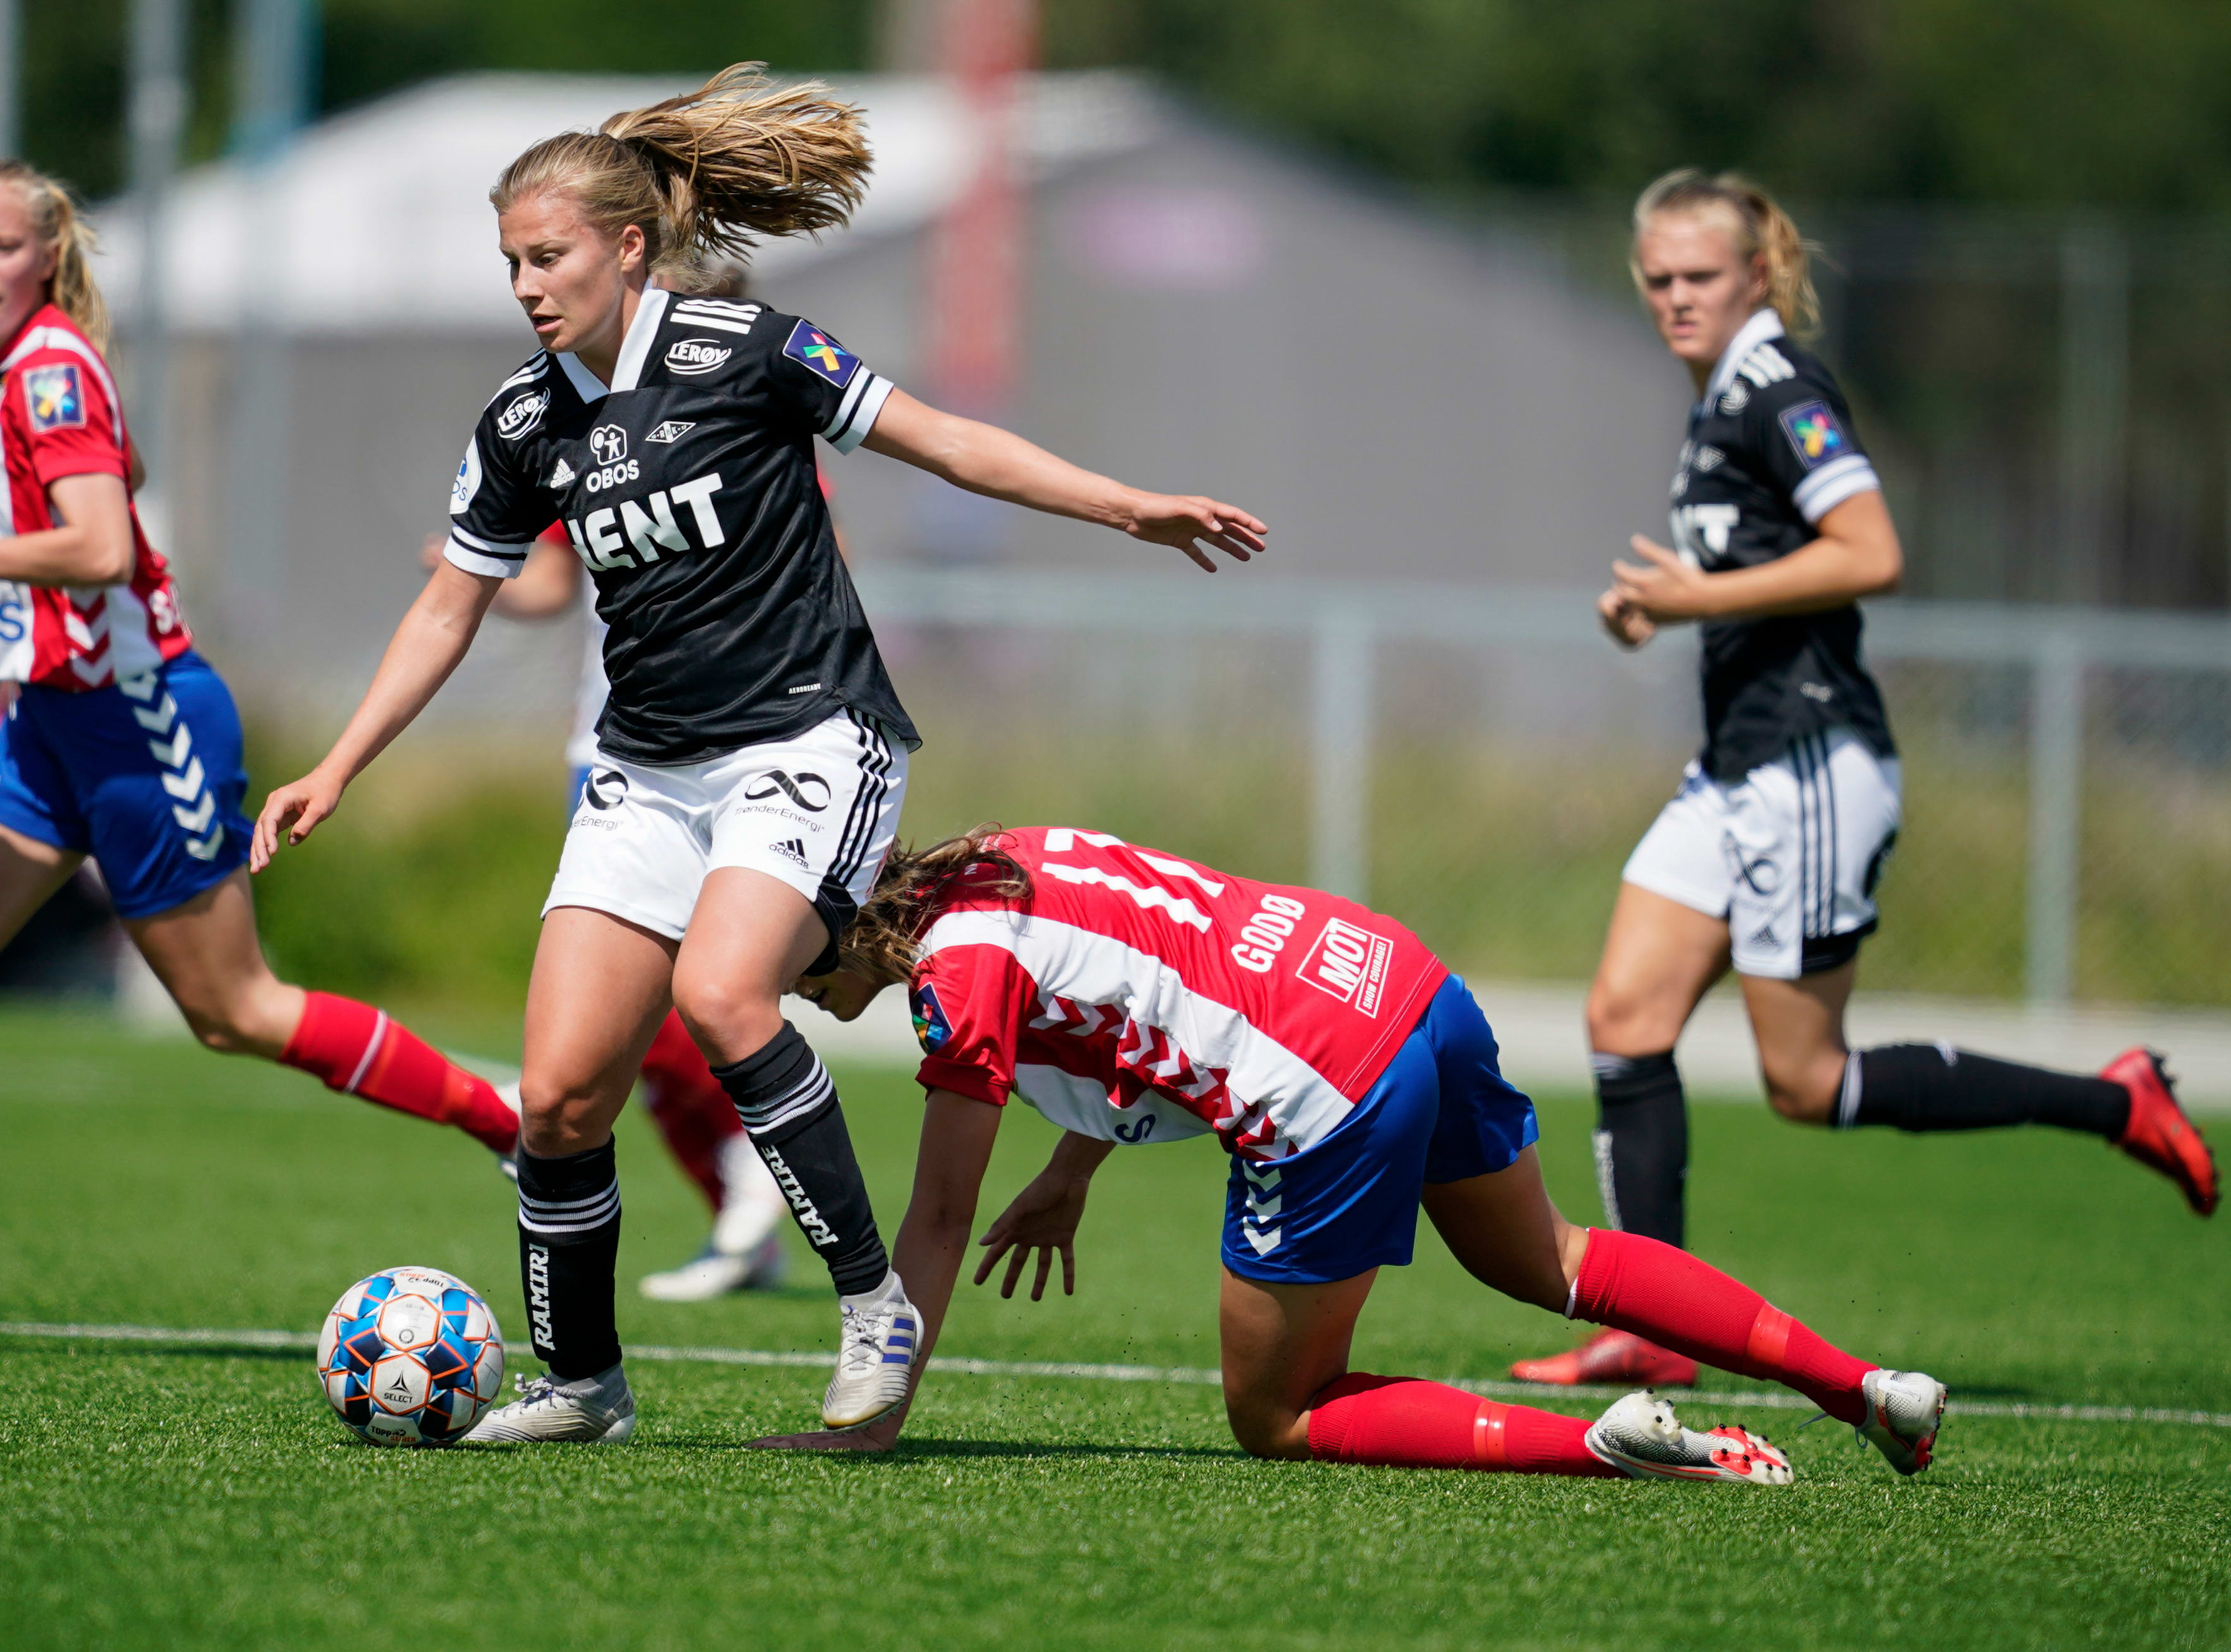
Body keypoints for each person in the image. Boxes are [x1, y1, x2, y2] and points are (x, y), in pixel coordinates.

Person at [248, 66, 1265, 1442]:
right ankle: (583, 1384)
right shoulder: (522, 422)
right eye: (511, 264)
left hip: (810, 734)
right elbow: (451, 604)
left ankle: (872, 1306)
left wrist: (1127, 507)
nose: (528, 286)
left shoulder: (751, 348)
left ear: (627, 246)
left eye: (549, 257)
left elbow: (945, 441)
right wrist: (340, 763)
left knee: (725, 995)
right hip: (646, 772)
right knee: (560, 1094)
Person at [0, 161, 522, 1329]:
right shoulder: (27, 370)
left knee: (235, 1011)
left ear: (46, 255)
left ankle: (506, 1120)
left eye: (0, 248)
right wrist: (1, 578)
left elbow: (105, 546)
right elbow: (92, 524)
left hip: (139, 723)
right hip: (52, 725)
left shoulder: (51, 370)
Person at [1514, 169, 2217, 1390]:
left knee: (1806, 1080)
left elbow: (1871, 550)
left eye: (1701, 276)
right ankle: (1656, 1327)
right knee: (1624, 1020)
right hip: (1736, 764)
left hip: (1809, 761)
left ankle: (2115, 1102)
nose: (1677, 297)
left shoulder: (1778, 390)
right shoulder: (1717, 397)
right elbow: (1753, 569)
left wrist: (1694, 599)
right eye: (1658, 278)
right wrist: (1657, 608)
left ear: (1757, 273)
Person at [764, 824, 1947, 1483]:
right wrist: (1070, 1171)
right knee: (1550, 1259)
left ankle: (1607, 1450)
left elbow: (937, 1218)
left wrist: (876, 1416)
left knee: (1276, 1414)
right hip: (1394, 976)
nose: (781, 985)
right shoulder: (998, 855)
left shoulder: (956, 979)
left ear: (835, 925)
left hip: (1322, 1075)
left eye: (782, 957)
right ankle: (1868, 1389)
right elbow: (1143, 981)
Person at [420, 514, 790, 1302]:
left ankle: (752, 1152)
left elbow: (816, 555)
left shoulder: (745, 437)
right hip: (608, 751)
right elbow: (553, 586)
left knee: (691, 990)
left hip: (733, 745)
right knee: (623, 1011)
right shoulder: (568, 450)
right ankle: (743, 1197)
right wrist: (475, 572)